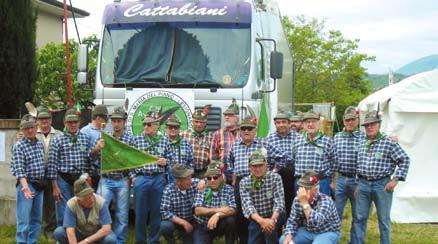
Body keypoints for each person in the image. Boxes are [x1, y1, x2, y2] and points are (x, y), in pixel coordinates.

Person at [228, 115, 290, 244]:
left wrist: (273, 171)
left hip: (266, 180)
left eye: (249, 129)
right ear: (239, 130)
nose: (246, 131)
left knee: (270, 208)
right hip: (243, 182)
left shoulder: (264, 143)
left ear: (255, 130)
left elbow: (284, 158)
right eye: (243, 128)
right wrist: (234, 176)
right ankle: (244, 239)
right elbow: (230, 163)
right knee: (242, 214)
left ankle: (271, 234)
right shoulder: (235, 145)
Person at [352, 111, 410, 244]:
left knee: (383, 219)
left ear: (379, 125)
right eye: (367, 125)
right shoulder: (361, 141)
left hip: (382, 185)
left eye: (373, 124)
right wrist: (357, 184)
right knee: (359, 217)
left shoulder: (388, 141)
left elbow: (404, 160)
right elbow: (358, 163)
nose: (369, 127)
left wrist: (395, 180)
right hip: (363, 184)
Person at [91, 106, 134, 244]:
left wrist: (130, 178)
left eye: (119, 121)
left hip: (122, 180)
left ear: (124, 122)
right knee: (98, 210)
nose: (116, 124)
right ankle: (99, 238)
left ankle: (119, 241)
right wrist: (96, 149)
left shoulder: (129, 139)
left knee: (122, 214)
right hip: (106, 180)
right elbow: (92, 159)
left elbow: (133, 161)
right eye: (114, 121)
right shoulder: (104, 136)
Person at [132, 108, 172, 244]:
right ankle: (141, 241)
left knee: (156, 212)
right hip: (141, 177)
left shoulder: (164, 140)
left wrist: (166, 162)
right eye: (144, 124)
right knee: (140, 214)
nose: (146, 127)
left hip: (158, 178)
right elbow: (129, 160)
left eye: (149, 124)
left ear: (157, 125)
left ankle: (154, 240)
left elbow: (170, 160)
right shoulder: (136, 139)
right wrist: (133, 177)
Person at [48, 109, 92, 227]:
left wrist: (88, 177)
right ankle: (62, 238)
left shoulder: (85, 138)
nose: (73, 124)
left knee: (81, 211)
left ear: (79, 123)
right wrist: (55, 186)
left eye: (75, 122)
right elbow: (52, 164)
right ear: (64, 123)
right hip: (63, 180)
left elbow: (88, 161)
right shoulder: (57, 140)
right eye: (70, 122)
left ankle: (77, 237)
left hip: (80, 180)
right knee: (63, 212)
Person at [11, 114, 46, 244]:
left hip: (39, 186)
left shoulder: (39, 144)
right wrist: (25, 187)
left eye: (32, 127)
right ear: (22, 129)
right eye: (26, 128)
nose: (30, 130)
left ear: (36, 127)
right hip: (26, 186)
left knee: (36, 219)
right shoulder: (19, 146)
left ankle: (32, 242)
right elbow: (19, 170)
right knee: (24, 220)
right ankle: (21, 242)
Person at [280, 171, 341, 244]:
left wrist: (305, 203)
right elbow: (293, 220)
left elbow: (316, 223)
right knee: (283, 240)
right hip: (308, 231)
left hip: (327, 231)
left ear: (315, 189)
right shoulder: (297, 200)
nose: (302, 191)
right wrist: (288, 237)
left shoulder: (325, 201)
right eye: (300, 187)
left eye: (306, 188)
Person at [239, 151, 285, 243]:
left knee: (270, 231)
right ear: (249, 167)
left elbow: (279, 202)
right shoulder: (244, 182)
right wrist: (262, 221)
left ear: (266, 165)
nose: (258, 169)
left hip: (275, 215)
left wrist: (271, 220)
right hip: (256, 218)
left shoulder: (275, 177)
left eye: (260, 165)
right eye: (255, 166)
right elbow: (248, 206)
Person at [332, 106, 363, 242]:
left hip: (358, 181)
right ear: (343, 121)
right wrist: (333, 180)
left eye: (352, 120)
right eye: (347, 120)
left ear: (357, 121)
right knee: (335, 213)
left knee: (358, 215)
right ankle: (333, 239)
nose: (350, 122)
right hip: (340, 179)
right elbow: (332, 159)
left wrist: (392, 138)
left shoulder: (363, 137)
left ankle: (355, 241)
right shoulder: (337, 137)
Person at [54, 178, 116, 244]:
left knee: (111, 239)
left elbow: (106, 229)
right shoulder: (71, 204)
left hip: (97, 233)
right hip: (79, 233)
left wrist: (85, 242)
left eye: (92, 195)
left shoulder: (101, 202)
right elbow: (70, 230)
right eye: (88, 198)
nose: (92, 199)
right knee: (59, 232)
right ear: (79, 200)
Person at [193, 162, 237, 244]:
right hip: (202, 226)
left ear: (221, 177)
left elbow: (233, 209)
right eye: (209, 178)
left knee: (231, 221)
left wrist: (217, 215)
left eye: (215, 177)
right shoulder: (202, 188)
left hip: (219, 224)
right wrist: (218, 211)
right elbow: (197, 210)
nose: (212, 180)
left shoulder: (228, 189)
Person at [293, 110, 335, 196]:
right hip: (301, 182)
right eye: (307, 122)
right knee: (300, 207)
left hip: (321, 183)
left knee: (321, 208)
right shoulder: (297, 140)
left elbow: (334, 162)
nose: (310, 124)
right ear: (303, 125)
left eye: (314, 122)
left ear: (319, 124)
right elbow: (294, 159)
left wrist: (328, 179)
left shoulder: (327, 141)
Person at [35, 106, 62, 238]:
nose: (44, 122)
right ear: (37, 121)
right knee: (37, 203)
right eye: (41, 119)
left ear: (51, 120)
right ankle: (35, 229)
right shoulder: (32, 134)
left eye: (46, 119)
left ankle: (50, 231)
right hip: (37, 174)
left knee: (52, 203)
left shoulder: (59, 134)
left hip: (53, 173)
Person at [265, 111, 297, 216]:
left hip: (292, 176)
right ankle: (277, 227)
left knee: (292, 202)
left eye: (284, 122)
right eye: (278, 122)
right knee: (275, 203)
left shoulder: (298, 138)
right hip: (275, 174)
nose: (281, 124)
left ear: (289, 123)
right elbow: (267, 159)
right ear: (275, 124)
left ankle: (290, 227)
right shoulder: (269, 139)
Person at [160, 164, 200, 243]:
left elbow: (208, 180)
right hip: (176, 222)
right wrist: (183, 223)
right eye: (187, 179)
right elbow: (164, 212)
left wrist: (202, 182)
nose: (190, 181)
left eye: (190, 178)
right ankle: (171, 239)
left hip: (192, 221)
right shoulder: (168, 190)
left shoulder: (195, 183)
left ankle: (184, 235)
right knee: (164, 226)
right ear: (178, 181)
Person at [211, 100, 240, 184]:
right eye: (225, 115)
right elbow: (213, 158)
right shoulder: (218, 134)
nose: (226, 117)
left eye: (230, 115)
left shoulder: (243, 133)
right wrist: (219, 174)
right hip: (223, 173)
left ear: (237, 118)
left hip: (240, 173)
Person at [81, 104, 109, 190]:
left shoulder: (106, 131)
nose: (107, 122)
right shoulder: (84, 131)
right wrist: (96, 148)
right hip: (90, 174)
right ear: (98, 118)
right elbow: (82, 153)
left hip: (104, 173)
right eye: (106, 119)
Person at [182, 108, 213, 178]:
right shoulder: (184, 135)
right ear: (192, 122)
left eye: (201, 122)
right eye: (196, 122)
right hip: (187, 172)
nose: (199, 124)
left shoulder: (211, 136)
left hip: (204, 172)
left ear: (206, 123)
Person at [165, 114, 194, 183]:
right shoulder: (161, 143)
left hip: (183, 178)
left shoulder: (186, 143)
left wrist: (188, 174)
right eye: (170, 127)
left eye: (176, 127)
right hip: (165, 179)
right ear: (166, 128)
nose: (173, 129)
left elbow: (191, 162)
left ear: (179, 128)